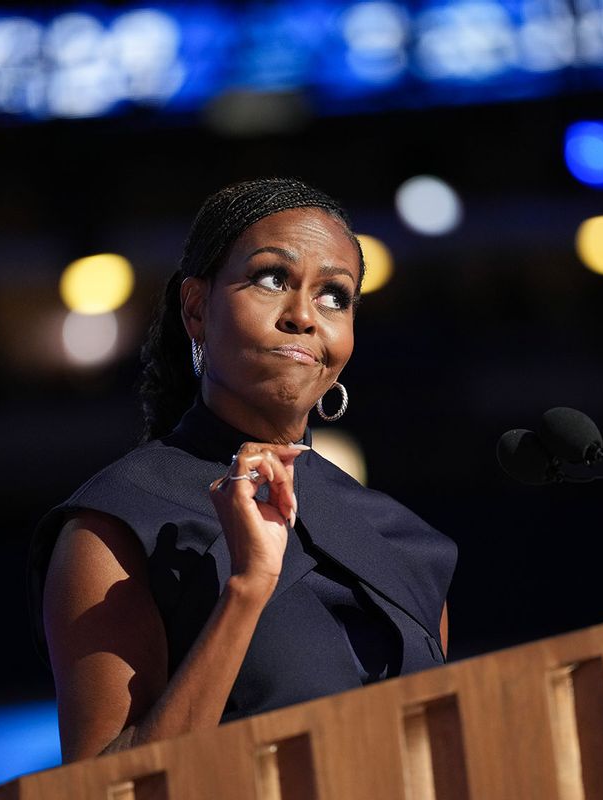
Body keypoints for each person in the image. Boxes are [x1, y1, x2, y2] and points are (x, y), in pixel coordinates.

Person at [28, 178, 457, 763]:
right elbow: (105, 785)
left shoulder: (403, 541)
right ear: (197, 309)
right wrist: (246, 592)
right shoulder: (118, 524)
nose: (304, 315)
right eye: (272, 279)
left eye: (335, 295)